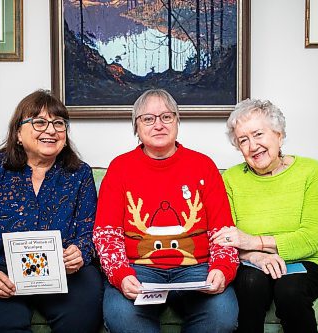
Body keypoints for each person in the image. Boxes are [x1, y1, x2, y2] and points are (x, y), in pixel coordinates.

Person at [0, 90, 103, 333]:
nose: (51, 130)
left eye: (58, 123)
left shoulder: (79, 173)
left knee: (82, 314)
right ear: (18, 133)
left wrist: (80, 253)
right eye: (39, 122)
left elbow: (89, 232)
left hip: (62, 273)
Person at [93, 89, 240, 333]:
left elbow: (223, 230)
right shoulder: (120, 168)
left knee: (223, 315)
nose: (158, 125)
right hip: (139, 269)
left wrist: (221, 269)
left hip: (196, 269)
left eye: (166, 117)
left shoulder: (203, 165)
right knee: (122, 316)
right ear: (136, 127)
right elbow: (106, 233)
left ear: (177, 121)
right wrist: (121, 273)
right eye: (148, 119)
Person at [211, 98, 318, 333]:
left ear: (279, 134)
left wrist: (253, 241)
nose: (252, 146)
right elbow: (227, 239)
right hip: (251, 262)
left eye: (258, 134)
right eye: (243, 140)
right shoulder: (231, 179)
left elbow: (310, 238)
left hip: (305, 261)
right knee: (250, 284)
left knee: (290, 291)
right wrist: (255, 255)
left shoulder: (309, 170)